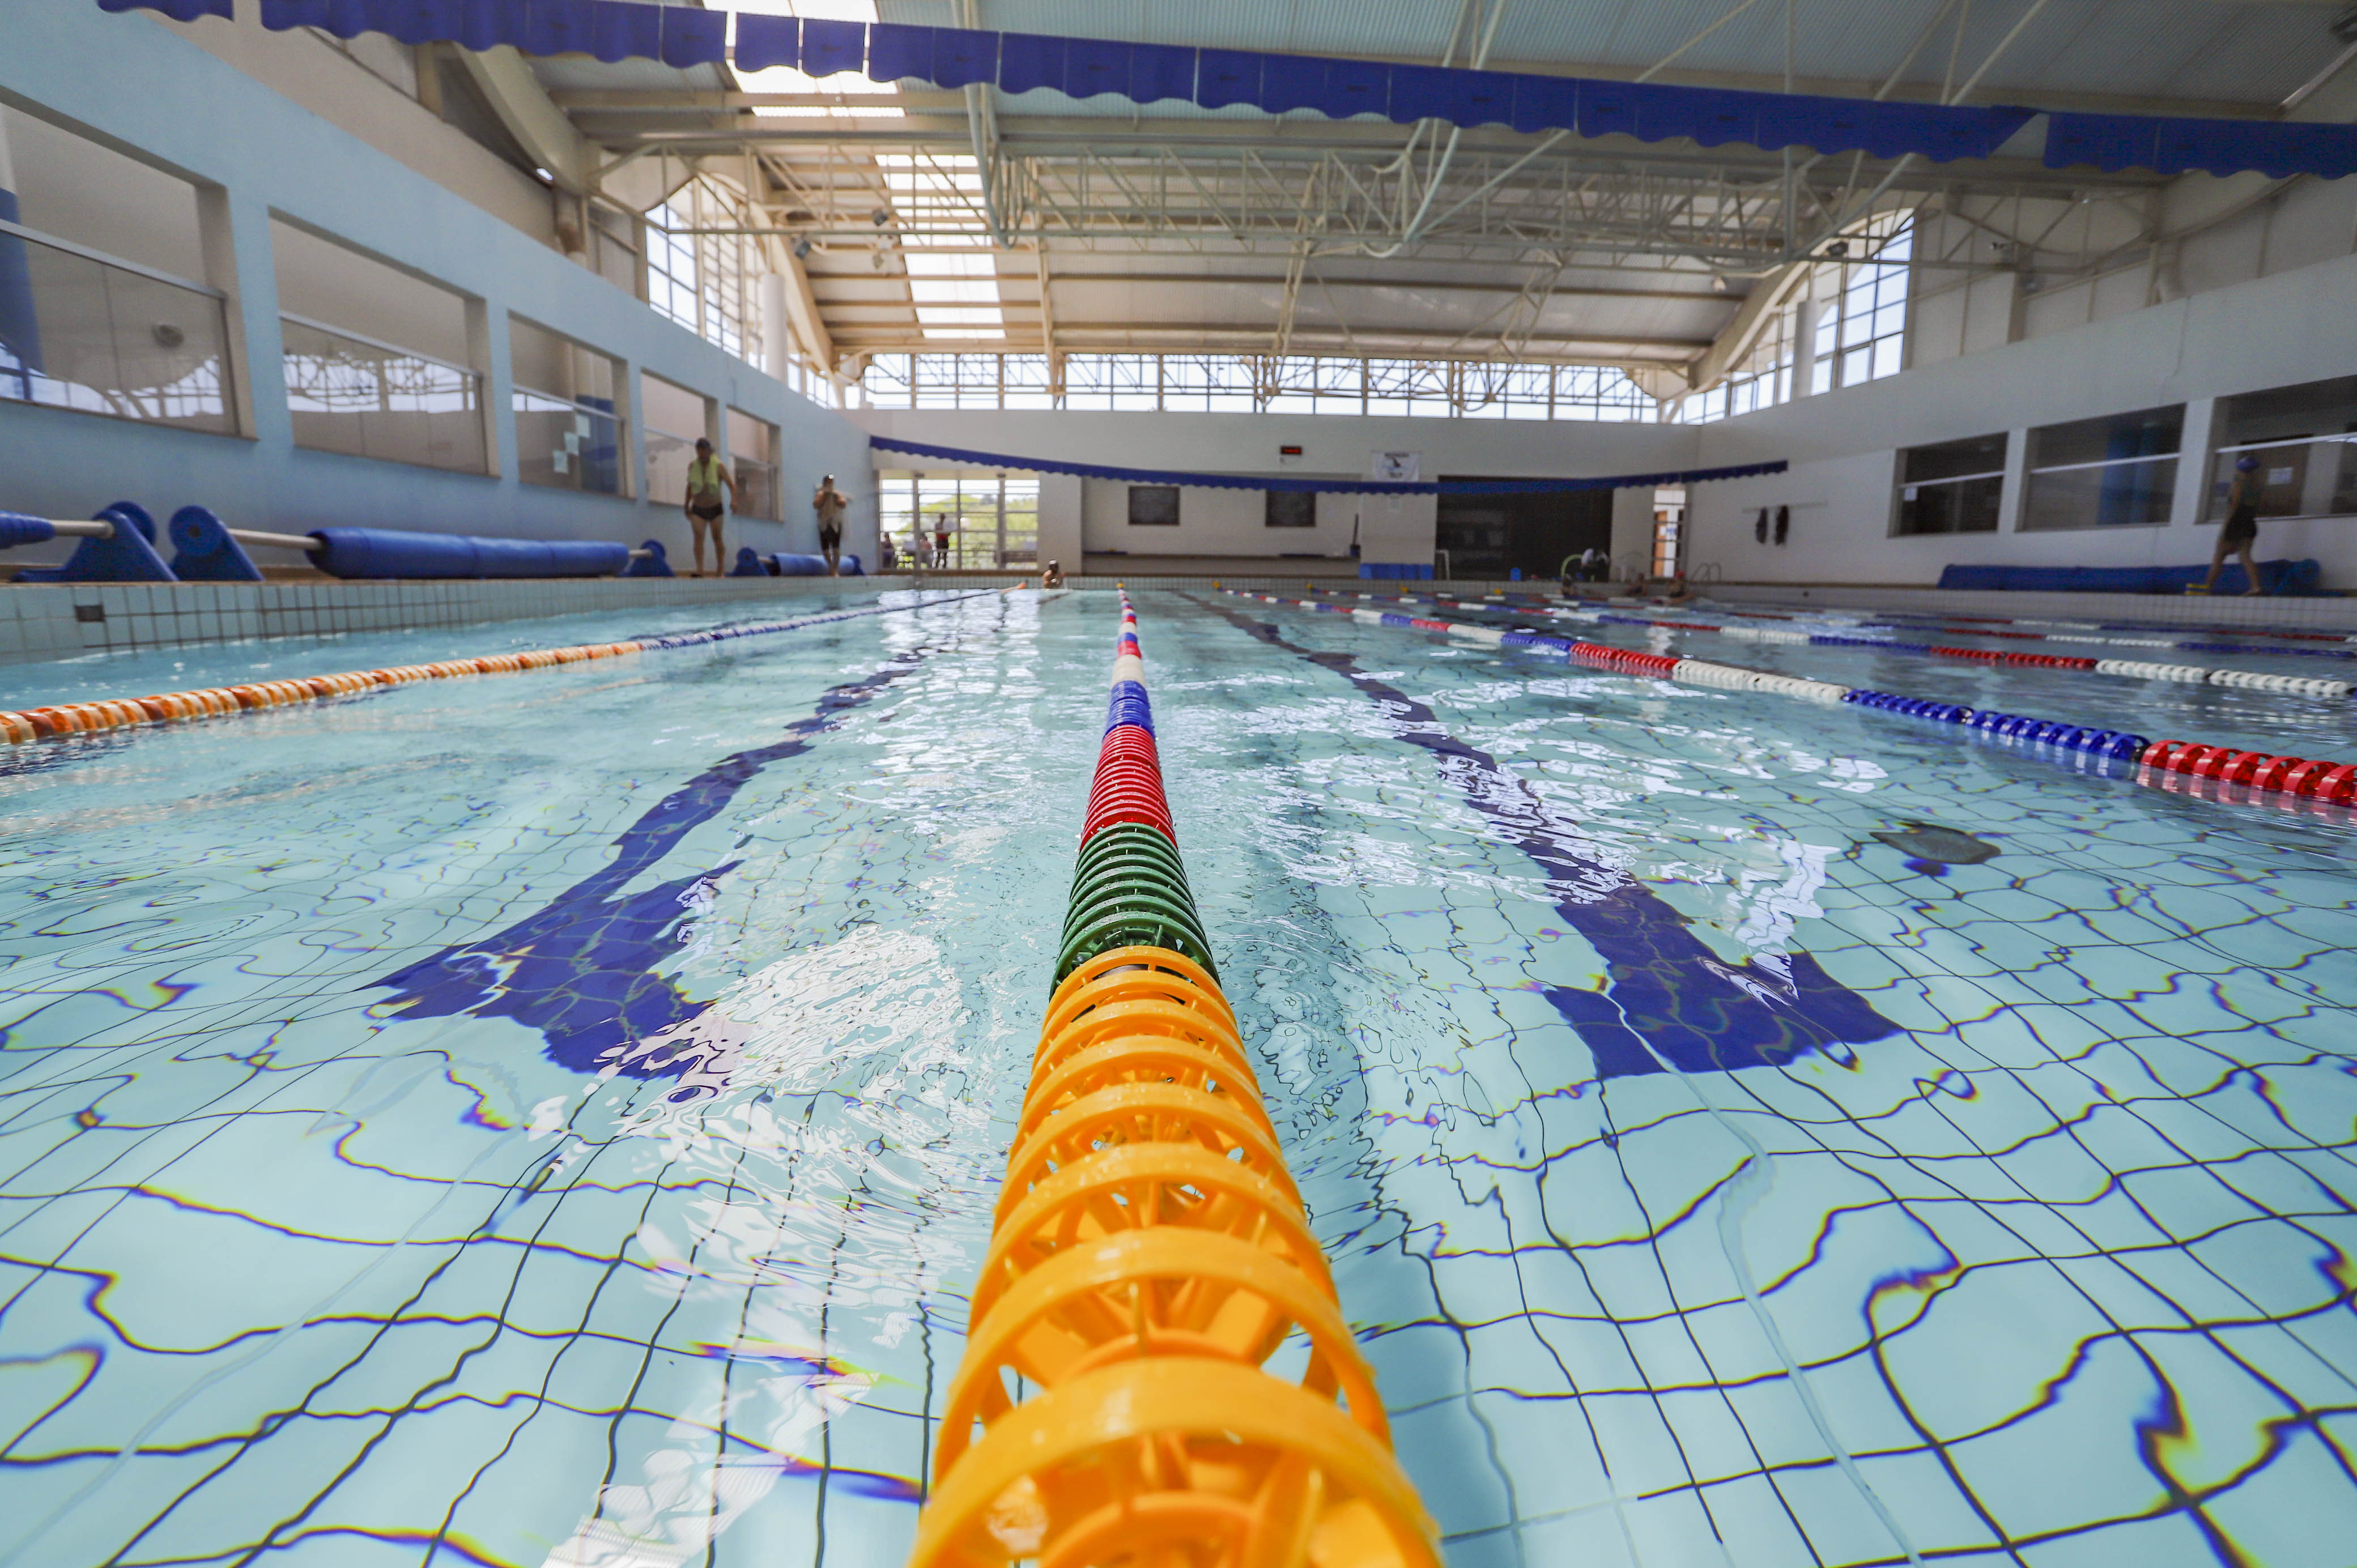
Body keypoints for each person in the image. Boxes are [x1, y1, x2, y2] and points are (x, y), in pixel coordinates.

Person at [2199, 455, 2266, 596]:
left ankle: (2207, 588)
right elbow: (2256, 508)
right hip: (2249, 522)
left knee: (2219, 555)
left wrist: (2227, 525)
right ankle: (2256, 587)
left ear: (2241, 470)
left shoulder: (2239, 485)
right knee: (2245, 556)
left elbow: (2234, 506)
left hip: (2236, 522)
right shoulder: (2258, 486)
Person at [683, 437, 734, 577]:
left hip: (715, 507)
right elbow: (690, 486)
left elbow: (731, 484)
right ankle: (700, 570)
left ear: (709, 451)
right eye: (699, 450)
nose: (702, 453)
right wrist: (686, 504)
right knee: (698, 538)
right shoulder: (693, 466)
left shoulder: (719, 466)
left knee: (717, 537)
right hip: (698, 508)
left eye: (704, 450)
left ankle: (721, 569)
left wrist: (734, 501)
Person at [812, 474, 848, 576]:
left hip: (835, 523)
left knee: (836, 549)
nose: (830, 484)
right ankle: (831, 566)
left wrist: (836, 498)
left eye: (831, 482)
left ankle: (835, 569)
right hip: (824, 523)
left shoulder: (837, 494)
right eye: (828, 482)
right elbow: (816, 504)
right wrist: (825, 496)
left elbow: (843, 503)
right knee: (826, 550)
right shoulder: (820, 494)